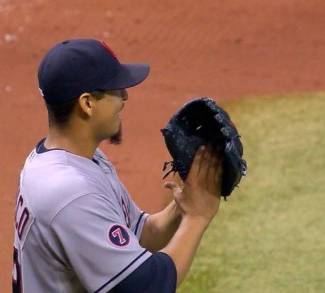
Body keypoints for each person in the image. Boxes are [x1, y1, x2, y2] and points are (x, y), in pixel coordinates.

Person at [12, 38, 223, 293]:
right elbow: (147, 287)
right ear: (87, 103)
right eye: (115, 89)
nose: (125, 95)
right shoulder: (69, 193)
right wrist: (197, 217)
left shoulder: (80, 160)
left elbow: (141, 235)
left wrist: (186, 201)